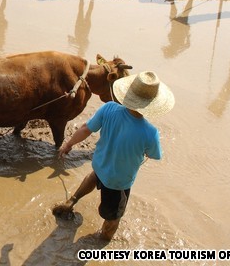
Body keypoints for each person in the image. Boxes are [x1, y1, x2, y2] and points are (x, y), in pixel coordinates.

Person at [51, 71, 175, 241]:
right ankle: (103, 239)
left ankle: (71, 201)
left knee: (95, 176)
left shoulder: (109, 108)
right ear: (151, 104)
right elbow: (154, 155)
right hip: (118, 182)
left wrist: (68, 144)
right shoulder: (150, 132)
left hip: (100, 164)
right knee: (113, 217)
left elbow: (86, 129)